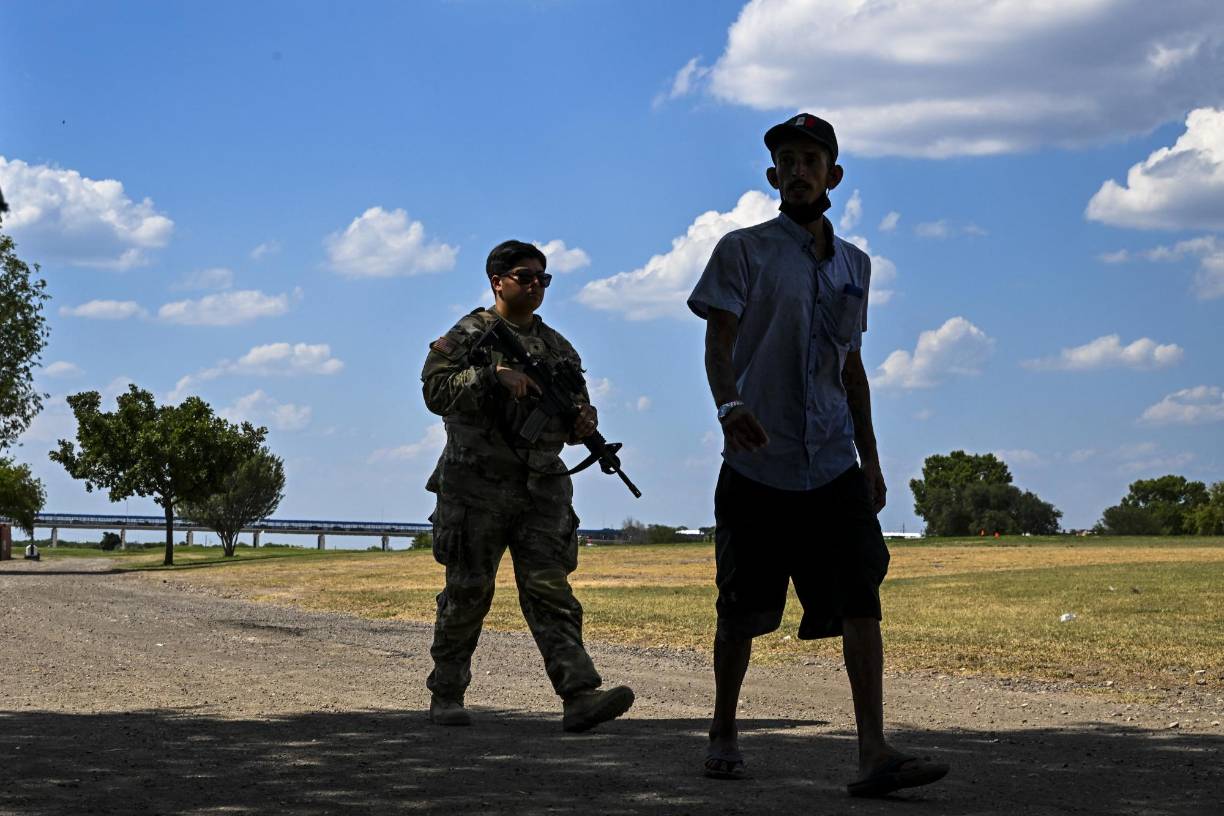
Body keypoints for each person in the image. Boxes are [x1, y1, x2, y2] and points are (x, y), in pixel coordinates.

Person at [687, 114, 949, 796]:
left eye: (811, 159)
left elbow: (851, 367)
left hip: (833, 462)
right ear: (773, 177)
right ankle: (723, 727)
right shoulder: (741, 250)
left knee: (862, 595)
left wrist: (872, 459)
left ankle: (873, 752)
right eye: (786, 161)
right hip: (758, 464)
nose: (798, 170)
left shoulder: (855, 265)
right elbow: (719, 341)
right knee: (742, 608)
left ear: (833, 174)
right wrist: (728, 404)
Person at [420, 239, 635, 732]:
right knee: (468, 591)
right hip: (475, 489)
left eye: (544, 278)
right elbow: (435, 391)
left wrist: (583, 423)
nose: (536, 285)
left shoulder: (558, 347)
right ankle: (447, 694)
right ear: (498, 281)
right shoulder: (472, 334)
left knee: (550, 592)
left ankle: (579, 695)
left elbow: (570, 409)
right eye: (525, 276)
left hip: (542, 490)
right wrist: (492, 376)